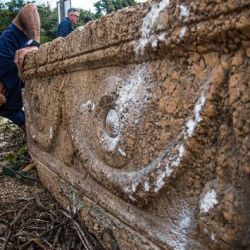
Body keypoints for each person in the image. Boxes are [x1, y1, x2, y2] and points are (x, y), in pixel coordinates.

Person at [0, 3, 40, 129]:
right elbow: (27, 128)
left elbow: (29, 8)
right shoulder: (6, 109)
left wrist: (33, 43)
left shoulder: (2, 54)